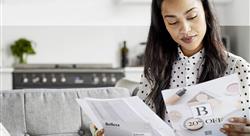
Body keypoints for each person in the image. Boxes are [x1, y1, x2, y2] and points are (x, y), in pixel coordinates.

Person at [91, 0, 250, 135]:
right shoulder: (155, 69)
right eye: (172, 21)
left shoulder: (237, 67)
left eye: (192, 16)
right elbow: (140, 124)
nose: (185, 29)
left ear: (206, 12)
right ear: (163, 24)